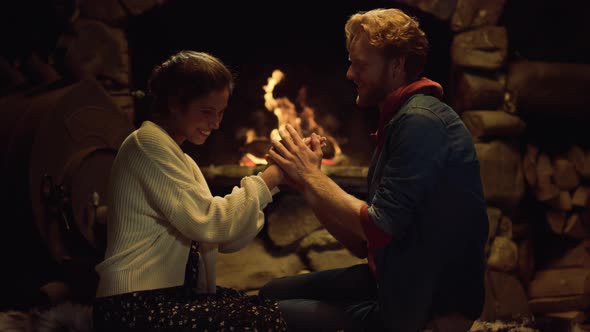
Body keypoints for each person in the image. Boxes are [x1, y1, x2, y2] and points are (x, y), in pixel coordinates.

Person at [260, 8, 489, 332]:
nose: (350, 73)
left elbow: (379, 227)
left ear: (396, 65)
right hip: (398, 277)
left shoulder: (420, 121)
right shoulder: (401, 118)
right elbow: (362, 243)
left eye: (361, 64)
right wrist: (307, 184)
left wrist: (312, 176)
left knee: (268, 316)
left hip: (429, 304)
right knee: (270, 293)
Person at [92, 50, 289, 331]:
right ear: (174, 103)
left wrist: (276, 180)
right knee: (263, 319)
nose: (217, 123)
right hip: (134, 304)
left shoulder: (181, 160)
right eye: (207, 112)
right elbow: (210, 223)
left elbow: (225, 239)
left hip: (173, 296)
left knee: (267, 304)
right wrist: (270, 176)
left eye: (221, 113)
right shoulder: (147, 145)